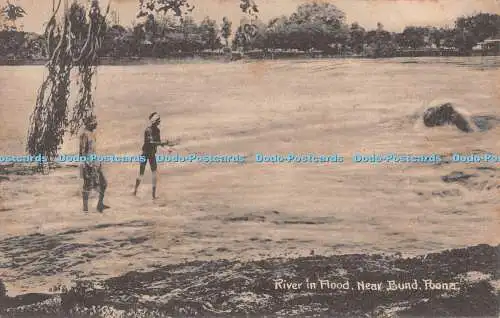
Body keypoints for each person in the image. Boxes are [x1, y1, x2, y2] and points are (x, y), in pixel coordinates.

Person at [133, 112, 177, 199]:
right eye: (158, 121)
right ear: (155, 122)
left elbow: (158, 143)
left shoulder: (157, 130)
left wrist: (167, 148)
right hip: (145, 153)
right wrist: (163, 143)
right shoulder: (148, 130)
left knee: (154, 173)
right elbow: (151, 142)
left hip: (151, 153)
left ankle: (153, 195)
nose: (159, 123)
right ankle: (135, 190)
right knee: (141, 173)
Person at [79, 115, 109, 212]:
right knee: (87, 185)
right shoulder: (85, 134)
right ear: (89, 123)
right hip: (88, 164)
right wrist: (86, 164)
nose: (96, 123)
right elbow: (82, 152)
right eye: (94, 121)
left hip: (96, 162)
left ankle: (100, 204)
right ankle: (85, 208)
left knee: (104, 183)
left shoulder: (92, 134)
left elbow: (93, 150)